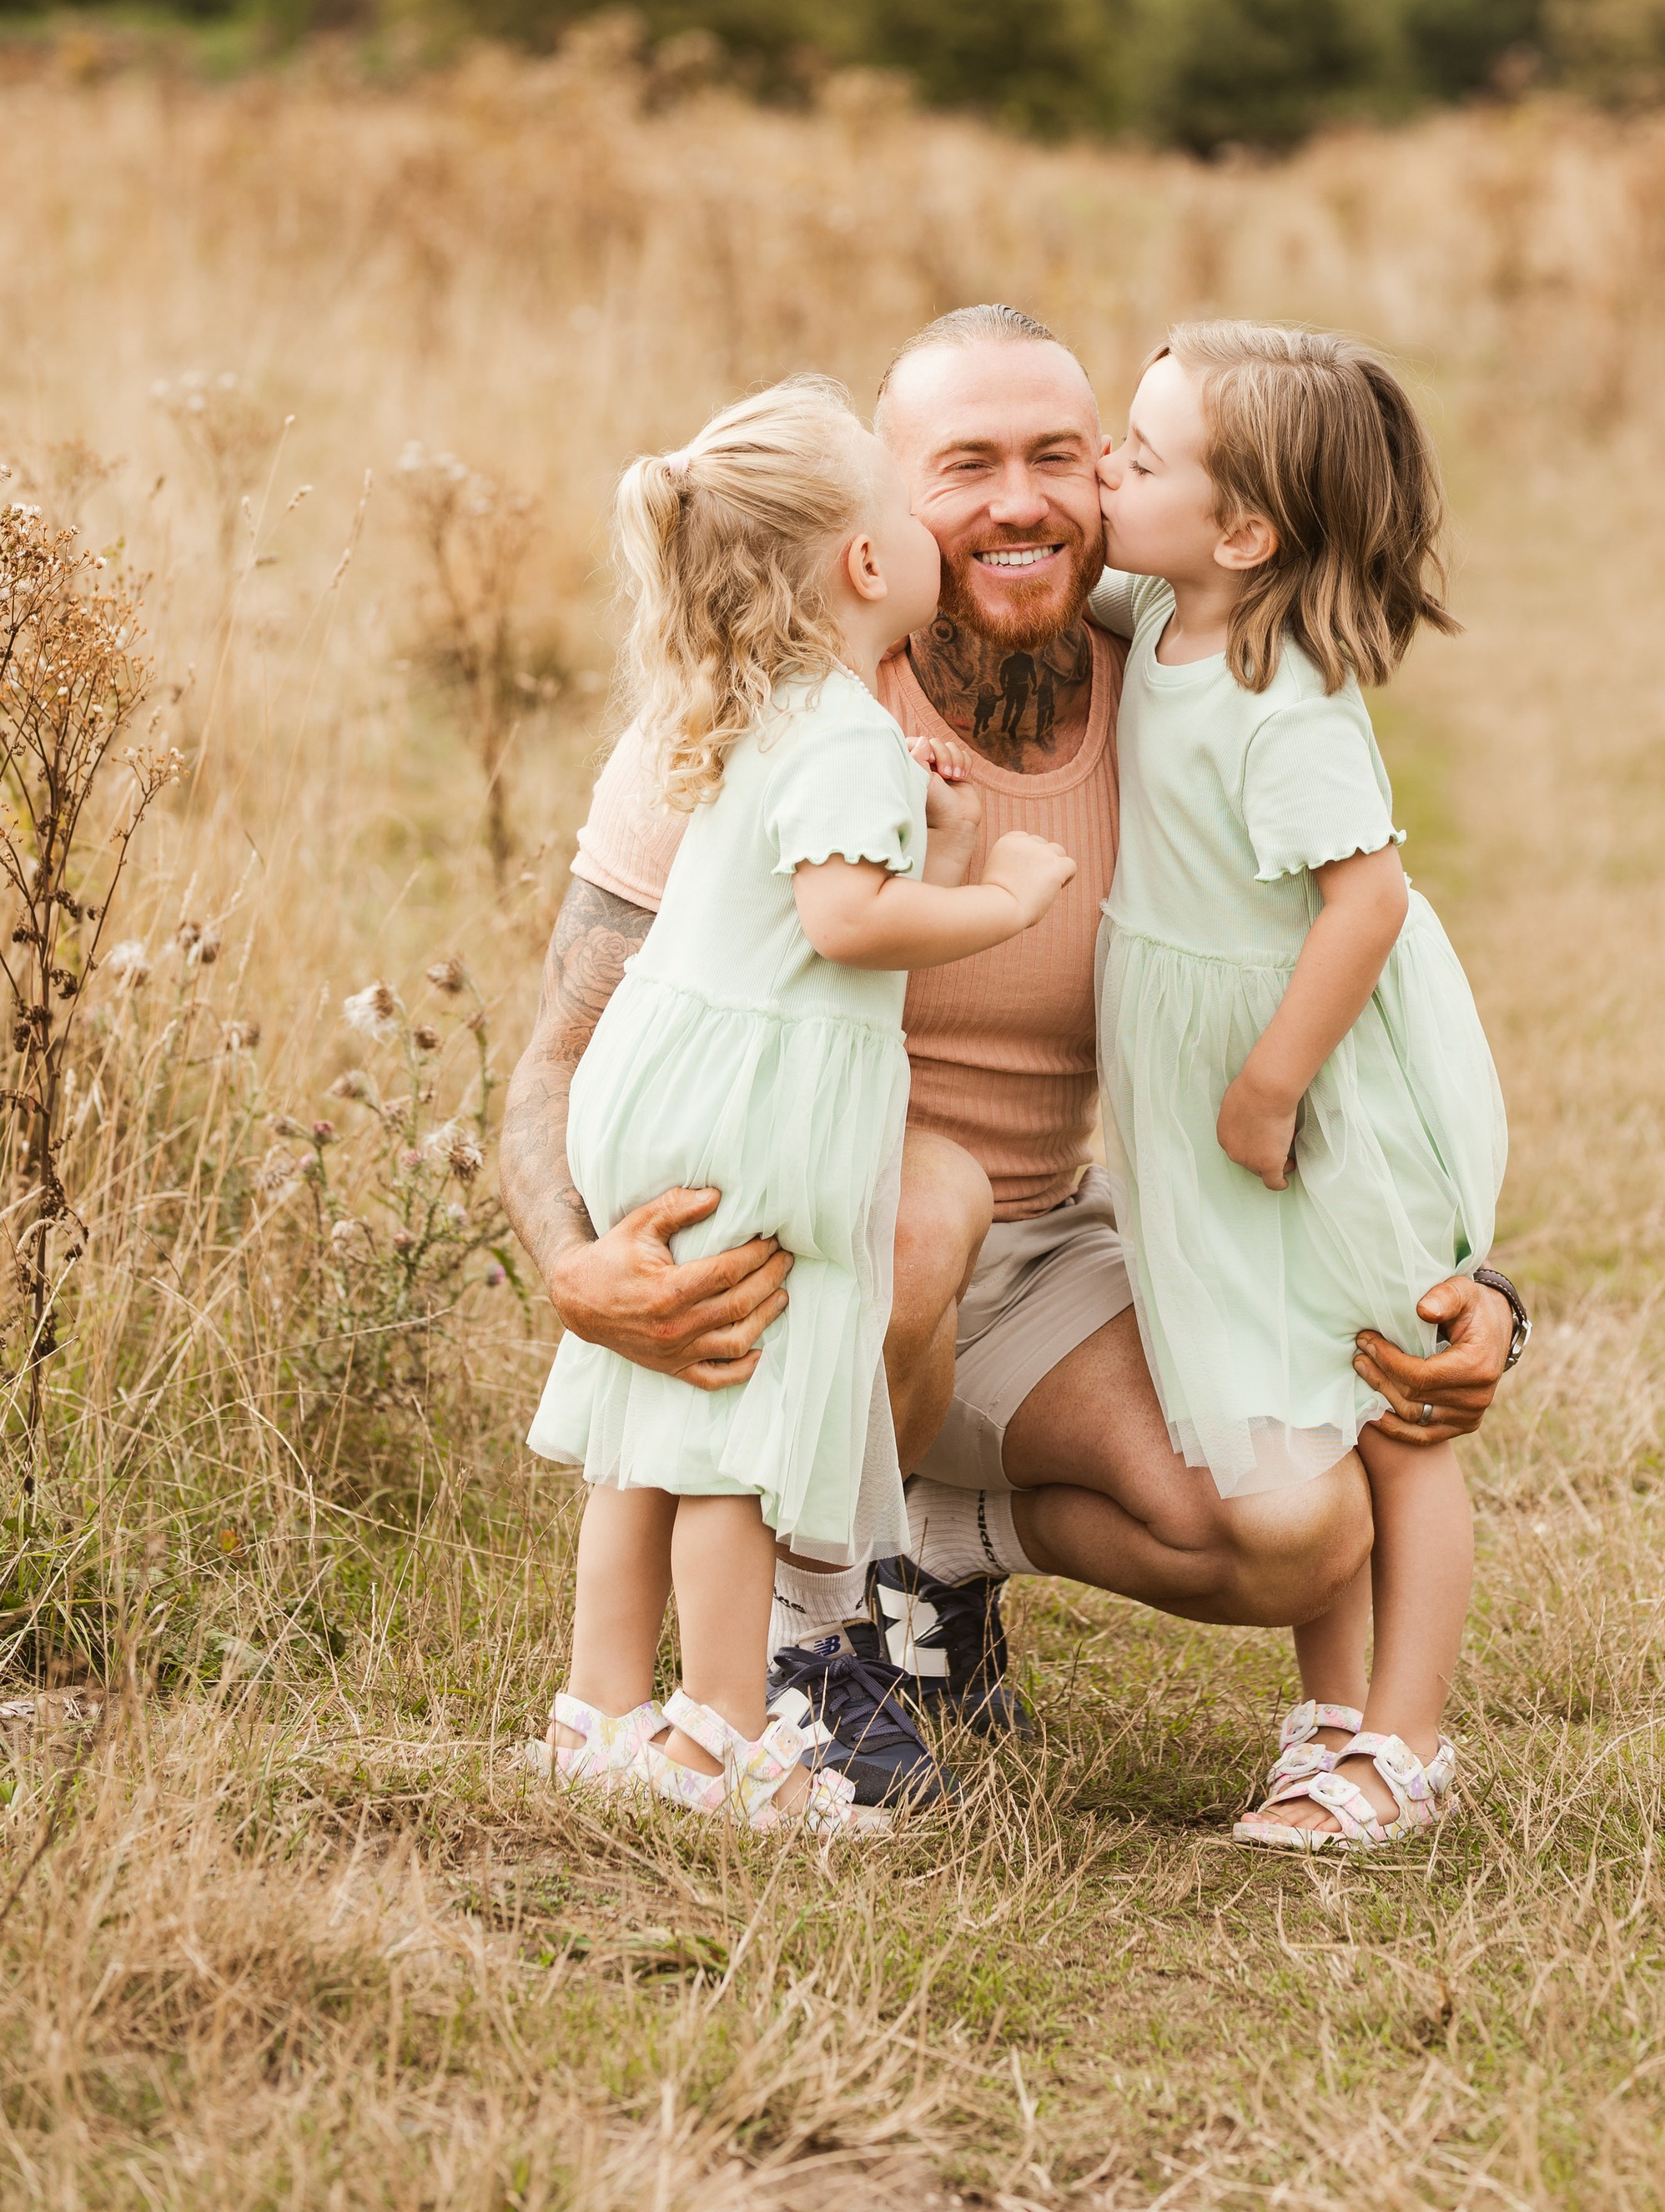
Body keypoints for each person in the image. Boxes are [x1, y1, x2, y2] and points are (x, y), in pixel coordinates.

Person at [500, 307, 1522, 1807]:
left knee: (1299, 1533)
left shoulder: (1172, 669)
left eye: (1061, 454)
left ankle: (935, 1555)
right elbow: (553, 1061)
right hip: (834, 1248)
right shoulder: (749, 722)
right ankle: (816, 1652)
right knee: (923, 1197)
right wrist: (571, 1266)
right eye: (963, 465)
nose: (1023, 501)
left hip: (1055, 1256)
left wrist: (1481, 1287)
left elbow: (1363, 994)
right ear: (875, 517)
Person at [524, 376, 1073, 1832]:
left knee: (657, 1414)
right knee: (742, 1427)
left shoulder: (752, 707)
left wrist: (941, 842)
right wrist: (1006, 891)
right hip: (749, 1100)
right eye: (904, 504)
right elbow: (843, 925)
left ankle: (601, 1713)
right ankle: (721, 1733)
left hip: (658, 1079)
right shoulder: (838, 729)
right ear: (867, 564)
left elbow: (823, 912)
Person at [1092, 324, 1507, 1850]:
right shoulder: (1157, 610)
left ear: (1246, 531)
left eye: (1137, 455)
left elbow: (1368, 904)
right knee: (1283, 1385)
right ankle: (1328, 1718)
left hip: (1326, 1089)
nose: (1100, 468)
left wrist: (1270, 1083)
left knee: (1390, 1403)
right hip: (1210, 1074)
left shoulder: (1290, 699)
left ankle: (1403, 1742)